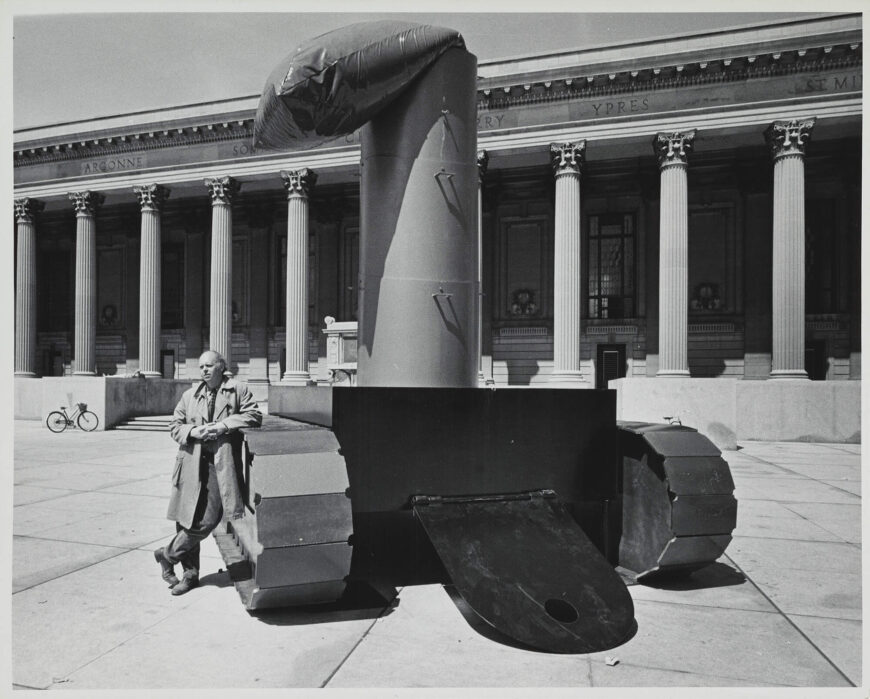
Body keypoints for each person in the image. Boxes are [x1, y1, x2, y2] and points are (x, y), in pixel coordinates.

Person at [154, 350, 262, 595]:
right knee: (187, 519)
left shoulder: (238, 390)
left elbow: (254, 415)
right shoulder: (190, 395)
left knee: (208, 520)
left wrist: (224, 425)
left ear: (221, 367)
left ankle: (166, 554)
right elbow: (175, 426)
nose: (203, 370)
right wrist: (193, 432)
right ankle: (189, 576)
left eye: (209, 365)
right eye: (201, 366)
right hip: (191, 463)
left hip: (219, 465)